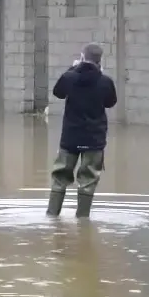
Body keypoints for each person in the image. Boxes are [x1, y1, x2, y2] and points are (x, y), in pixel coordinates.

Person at [45, 43, 117, 218]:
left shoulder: (70, 77)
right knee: (89, 180)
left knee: (60, 177)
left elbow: (58, 92)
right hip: (94, 139)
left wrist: (74, 68)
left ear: (82, 57)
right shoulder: (105, 81)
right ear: (100, 60)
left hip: (70, 138)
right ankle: (83, 220)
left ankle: (52, 216)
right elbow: (110, 102)